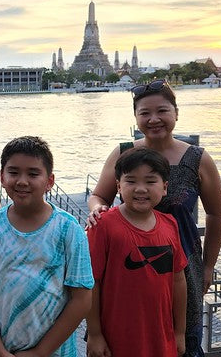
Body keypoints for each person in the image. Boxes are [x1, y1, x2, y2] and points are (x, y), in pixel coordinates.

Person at [87, 79, 221, 357]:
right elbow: (99, 195)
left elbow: (216, 213)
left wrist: (208, 265)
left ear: (175, 112)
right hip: (127, 270)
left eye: (162, 111)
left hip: (181, 267)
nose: (154, 119)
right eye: (144, 113)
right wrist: (96, 210)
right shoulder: (124, 152)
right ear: (136, 117)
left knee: (181, 341)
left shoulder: (197, 158)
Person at [0, 136, 94, 356]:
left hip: (55, 351)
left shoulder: (68, 229)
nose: (22, 181)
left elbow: (82, 299)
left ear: (50, 181)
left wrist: (40, 352)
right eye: (14, 172)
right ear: (2, 177)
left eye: (33, 174)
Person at [86, 147, 187, 357]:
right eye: (131, 181)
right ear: (118, 186)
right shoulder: (103, 225)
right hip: (117, 336)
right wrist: (95, 334)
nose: (141, 189)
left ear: (165, 187)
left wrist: (179, 331)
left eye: (150, 182)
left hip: (161, 336)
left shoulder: (170, 224)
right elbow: (91, 283)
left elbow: (178, 280)